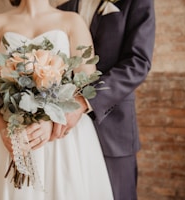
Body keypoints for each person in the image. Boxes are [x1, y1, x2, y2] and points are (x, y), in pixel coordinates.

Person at [0, 0, 113, 199]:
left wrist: (51, 120)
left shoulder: (72, 21)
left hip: (61, 138)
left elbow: (87, 85)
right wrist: (3, 129)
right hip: (11, 132)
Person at [55, 0, 156, 199]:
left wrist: (84, 101)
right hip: (65, 134)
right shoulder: (62, 10)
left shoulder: (136, 3)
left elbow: (138, 62)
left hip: (113, 127)